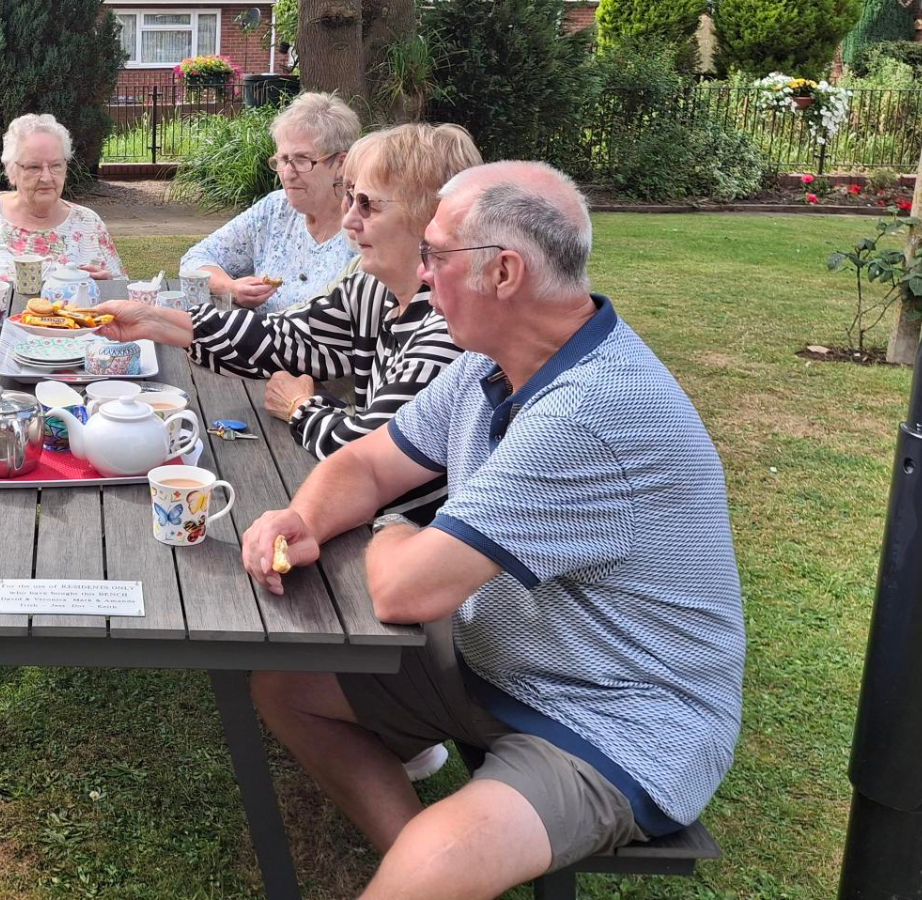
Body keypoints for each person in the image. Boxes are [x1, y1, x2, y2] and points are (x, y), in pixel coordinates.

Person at [238, 161, 746, 899]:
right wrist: (302, 515)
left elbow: (407, 589)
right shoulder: (491, 361)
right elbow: (370, 463)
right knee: (288, 686)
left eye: (435, 256)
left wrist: (391, 526)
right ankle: (415, 855)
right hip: (506, 658)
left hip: (618, 715)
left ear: (503, 272)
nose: (421, 272)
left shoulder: (589, 414)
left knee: (437, 861)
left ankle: (428, 869)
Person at [97, 123, 479, 507]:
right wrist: (154, 321)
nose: (348, 221)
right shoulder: (374, 289)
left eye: (369, 204)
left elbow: (362, 453)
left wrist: (300, 408)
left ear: (430, 218)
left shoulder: (450, 328)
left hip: (408, 536)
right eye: (350, 200)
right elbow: (289, 338)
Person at [179, 91, 359, 314]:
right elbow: (195, 259)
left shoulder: (363, 228)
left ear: (341, 164)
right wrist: (232, 288)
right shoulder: (275, 209)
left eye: (302, 160)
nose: (287, 173)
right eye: (283, 160)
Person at [0, 113, 126, 283]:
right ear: (11, 171)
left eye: (56, 165)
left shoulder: (88, 223)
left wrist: (105, 290)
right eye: (34, 167)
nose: (47, 177)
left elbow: (122, 295)